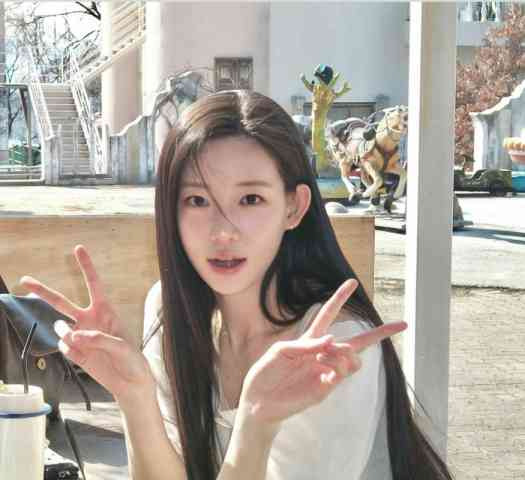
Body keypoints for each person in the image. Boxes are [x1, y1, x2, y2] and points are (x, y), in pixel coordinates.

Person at [20, 90, 453, 480]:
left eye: (250, 199)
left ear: (294, 207)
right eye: (197, 200)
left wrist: (256, 421)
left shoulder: (331, 346)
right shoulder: (171, 312)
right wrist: (134, 396)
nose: (223, 231)